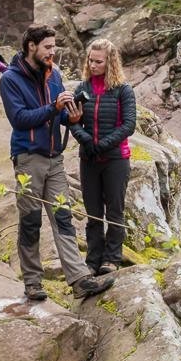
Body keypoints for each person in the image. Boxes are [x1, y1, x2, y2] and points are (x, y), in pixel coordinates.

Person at [0, 24, 114, 301]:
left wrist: (71, 116)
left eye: (54, 46)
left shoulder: (55, 75)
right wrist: (54, 108)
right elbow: (19, 119)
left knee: (63, 218)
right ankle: (33, 283)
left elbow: (61, 117)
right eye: (48, 47)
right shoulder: (10, 79)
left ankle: (78, 279)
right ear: (31, 47)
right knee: (30, 222)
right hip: (28, 159)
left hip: (55, 160)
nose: (53, 51)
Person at [68, 38, 137, 276]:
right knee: (93, 212)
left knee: (115, 211)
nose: (93, 64)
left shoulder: (123, 90)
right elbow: (71, 119)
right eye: (91, 60)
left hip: (116, 159)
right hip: (89, 159)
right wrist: (86, 141)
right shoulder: (82, 88)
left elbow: (129, 125)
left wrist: (104, 144)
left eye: (98, 61)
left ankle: (112, 259)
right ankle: (93, 259)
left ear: (110, 63)